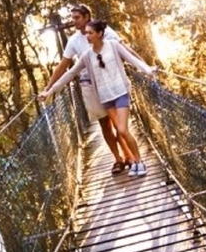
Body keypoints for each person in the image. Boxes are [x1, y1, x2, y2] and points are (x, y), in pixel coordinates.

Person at [40, 19, 156, 177]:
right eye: (86, 33)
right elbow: (70, 73)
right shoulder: (87, 56)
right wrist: (50, 91)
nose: (87, 36)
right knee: (120, 131)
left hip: (120, 92)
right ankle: (135, 164)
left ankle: (139, 162)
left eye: (90, 33)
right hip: (105, 98)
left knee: (122, 130)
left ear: (100, 34)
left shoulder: (114, 46)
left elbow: (131, 59)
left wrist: (148, 70)